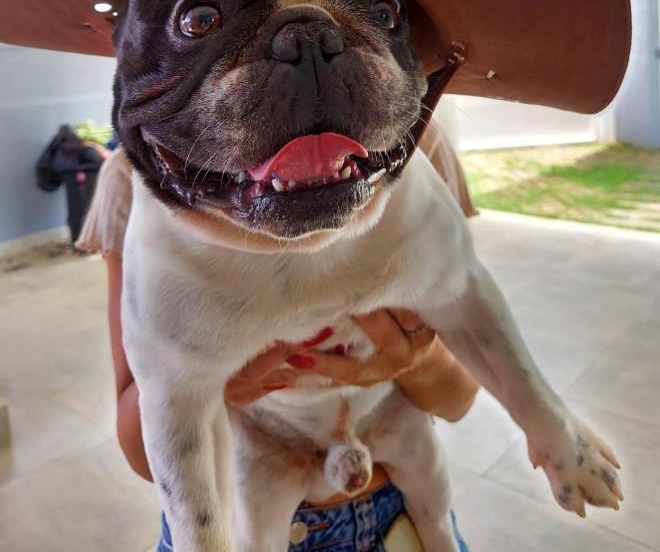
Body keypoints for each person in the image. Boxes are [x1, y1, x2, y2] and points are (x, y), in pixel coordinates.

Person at [79, 118, 478, 551]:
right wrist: (201, 384)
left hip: (403, 515)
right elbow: (141, 450)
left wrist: (416, 358)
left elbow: (458, 399)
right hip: (229, 518)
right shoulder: (142, 168)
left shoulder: (411, 135)